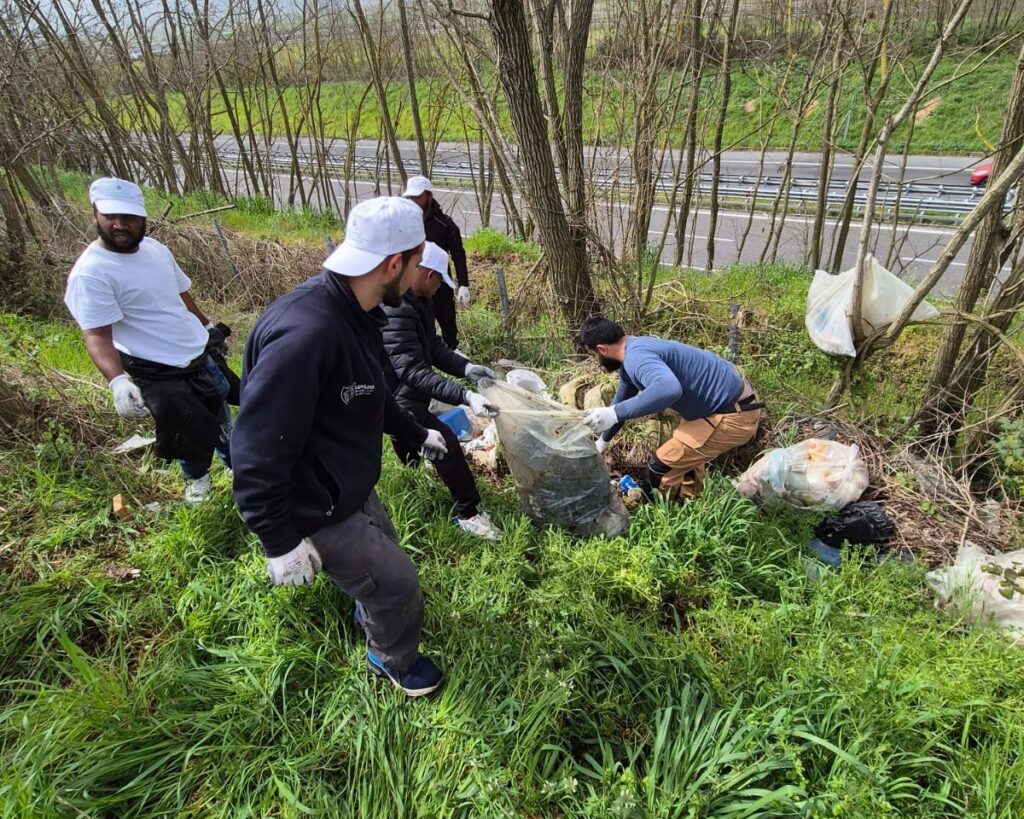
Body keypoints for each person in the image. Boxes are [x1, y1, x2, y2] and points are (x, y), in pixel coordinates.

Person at [231, 196, 449, 699]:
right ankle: (392, 660)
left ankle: (369, 609)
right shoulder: (308, 334)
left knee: (385, 553)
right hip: (311, 503)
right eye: (417, 264)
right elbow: (255, 447)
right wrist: (277, 540)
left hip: (344, 482)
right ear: (395, 263)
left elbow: (371, 391)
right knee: (398, 584)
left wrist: (417, 433)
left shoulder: (359, 310)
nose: (418, 276)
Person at [63, 177, 232, 504]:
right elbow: (97, 334)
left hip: (197, 357)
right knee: (186, 431)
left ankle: (240, 469)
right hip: (158, 372)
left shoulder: (156, 250)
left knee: (223, 419)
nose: (119, 225)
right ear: (95, 214)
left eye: (128, 217)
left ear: (143, 218)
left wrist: (207, 326)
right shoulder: (93, 272)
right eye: (110, 216)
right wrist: (117, 381)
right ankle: (198, 483)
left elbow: (182, 295)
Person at [382, 241, 502, 541]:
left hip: (406, 393)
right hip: (395, 395)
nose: (440, 288)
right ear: (425, 274)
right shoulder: (397, 309)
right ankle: (469, 514)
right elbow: (411, 371)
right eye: (439, 281)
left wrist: (466, 368)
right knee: (444, 443)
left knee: (413, 438)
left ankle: (413, 470)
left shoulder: (420, 300)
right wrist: (466, 396)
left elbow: (432, 346)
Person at [577, 317, 763, 499]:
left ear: (602, 349)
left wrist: (614, 413)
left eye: (594, 356)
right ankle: (690, 502)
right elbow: (621, 402)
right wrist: (603, 441)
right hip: (726, 405)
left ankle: (658, 517)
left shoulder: (637, 357)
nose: (597, 360)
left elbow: (669, 389)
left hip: (732, 415)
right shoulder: (634, 351)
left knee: (660, 468)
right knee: (684, 460)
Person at [402, 176, 471, 352]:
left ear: (428, 196)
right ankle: (423, 352)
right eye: (410, 197)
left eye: (417, 196)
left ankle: (452, 349)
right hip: (413, 282)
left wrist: (463, 284)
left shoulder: (444, 224)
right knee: (419, 320)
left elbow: (458, 254)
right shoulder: (404, 223)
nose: (413, 201)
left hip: (438, 280)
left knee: (446, 317)